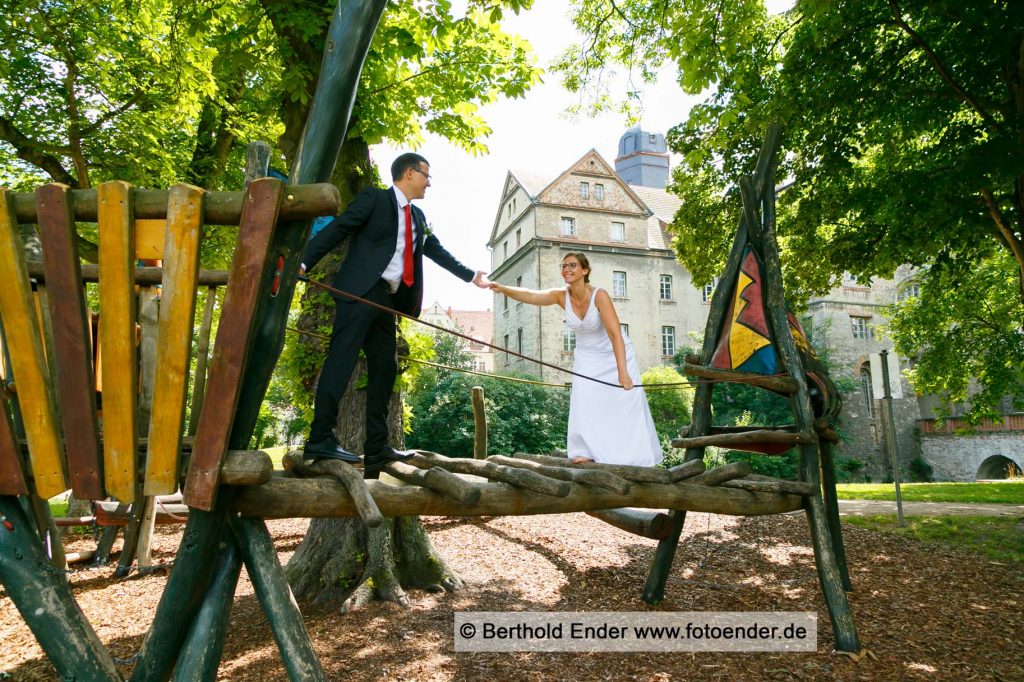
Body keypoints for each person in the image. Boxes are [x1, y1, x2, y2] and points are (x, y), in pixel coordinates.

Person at [300, 152, 489, 478]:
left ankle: (377, 449)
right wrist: (303, 262)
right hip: (360, 291)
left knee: (385, 369)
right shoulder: (375, 199)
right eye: (426, 175)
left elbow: (436, 251)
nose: (429, 182)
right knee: (341, 361)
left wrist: (471, 275)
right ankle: (319, 439)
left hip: (386, 300)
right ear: (409, 173)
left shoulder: (417, 216)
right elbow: (341, 227)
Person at [488, 252, 662, 466]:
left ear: (584, 270)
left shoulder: (600, 296)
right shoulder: (562, 295)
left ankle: (629, 455)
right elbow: (531, 295)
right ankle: (586, 450)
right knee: (584, 398)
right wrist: (503, 289)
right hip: (587, 355)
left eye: (572, 265)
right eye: (563, 266)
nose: (566, 270)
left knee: (621, 403)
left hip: (613, 353)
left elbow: (616, 335)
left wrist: (623, 372)